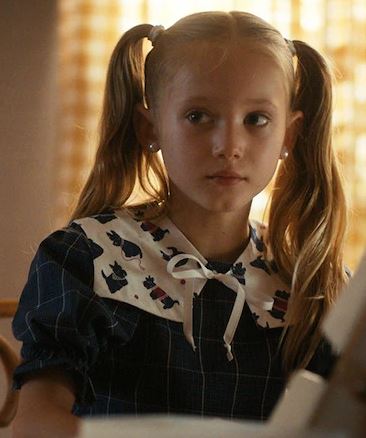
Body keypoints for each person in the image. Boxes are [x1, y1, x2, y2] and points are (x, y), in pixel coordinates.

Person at [12, 10, 348, 438]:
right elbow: (35, 424)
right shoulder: (82, 260)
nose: (229, 146)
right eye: (198, 116)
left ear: (289, 135)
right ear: (149, 127)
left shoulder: (313, 284)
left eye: (256, 119)